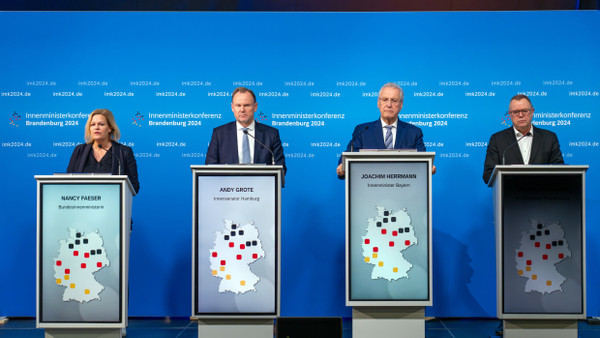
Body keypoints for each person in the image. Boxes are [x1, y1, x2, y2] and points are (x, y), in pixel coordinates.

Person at [336, 82, 432, 178]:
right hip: (370, 187)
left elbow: (423, 163)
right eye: (385, 99)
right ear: (378, 103)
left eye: (394, 100)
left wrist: (428, 167)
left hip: (403, 187)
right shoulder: (362, 131)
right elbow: (347, 159)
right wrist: (342, 167)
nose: (389, 105)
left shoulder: (414, 132)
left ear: (401, 105)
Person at [482, 94, 564, 184]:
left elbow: (560, 170)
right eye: (516, 112)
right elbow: (488, 175)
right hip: (511, 195)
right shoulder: (497, 140)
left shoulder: (549, 138)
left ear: (532, 111)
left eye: (525, 111)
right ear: (510, 114)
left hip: (542, 195)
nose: (520, 115)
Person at [206, 87, 286, 174]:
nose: (242, 110)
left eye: (246, 105)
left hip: (261, 186)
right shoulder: (219, 134)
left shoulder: (271, 134)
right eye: (238, 105)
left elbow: (281, 169)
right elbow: (210, 167)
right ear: (232, 107)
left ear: (255, 107)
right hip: (228, 186)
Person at [67, 108, 140, 194]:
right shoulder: (79, 150)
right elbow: (68, 182)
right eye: (93, 124)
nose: (96, 128)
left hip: (112, 204)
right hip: (83, 202)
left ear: (110, 128)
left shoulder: (124, 152)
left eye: (101, 124)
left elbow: (134, 187)